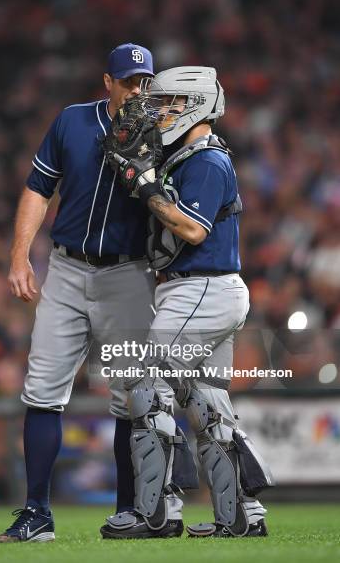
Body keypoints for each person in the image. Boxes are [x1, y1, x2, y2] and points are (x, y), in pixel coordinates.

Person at [0, 43, 160, 543]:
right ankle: (36, 514)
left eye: (144, 81)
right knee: (42, 390)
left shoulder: (163, 131)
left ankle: (131, 510)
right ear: (107, 82)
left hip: (129, 274)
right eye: (128, 80)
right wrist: (20, 255)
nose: (137, 89)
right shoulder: (73, 121)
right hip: (66, 269)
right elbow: (37, 189)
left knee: (132, 399)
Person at [100, 66, 274, 539]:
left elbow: (194, 229)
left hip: (202, 288)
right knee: (206, 402)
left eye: (169, 101)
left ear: (195, 104)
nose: (159, 110)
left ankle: (156, 514)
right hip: (204, 290)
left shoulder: (206, 161)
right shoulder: (192, 157)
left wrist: (145, 183)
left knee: (147, 384)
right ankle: (241, 516)